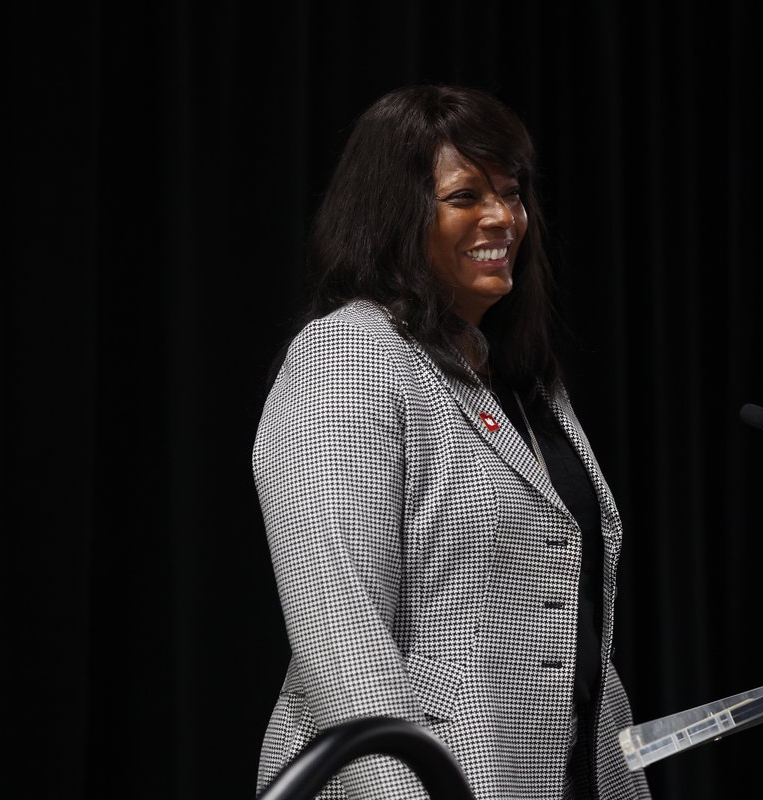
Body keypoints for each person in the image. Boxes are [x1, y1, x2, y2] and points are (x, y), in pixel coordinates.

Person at [253, 85, 652, 800]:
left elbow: (571, 632)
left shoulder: (524, 380)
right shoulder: (351, 354)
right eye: (466, 196)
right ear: (395, 216)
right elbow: (339, 627)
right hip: (424, 782)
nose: (504, 217)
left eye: (513, 192)